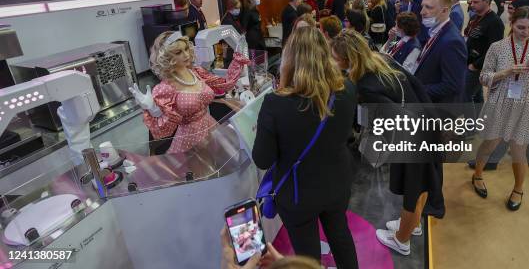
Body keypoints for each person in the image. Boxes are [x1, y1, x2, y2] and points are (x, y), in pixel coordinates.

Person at [253, 27, 358, 268]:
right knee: (340, 235)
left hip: (298, 193)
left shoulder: (275, 104)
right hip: (337, 182)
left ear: (288, 59)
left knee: (307, 256)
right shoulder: (347, 89)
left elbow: (263, 159)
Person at [330, 30, 442, 256]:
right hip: (426, 122)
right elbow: (417, 86)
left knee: (414, 189)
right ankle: (413, 224)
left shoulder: (366, 85)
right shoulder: (383, 59)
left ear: (346, 60)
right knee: (421, 185)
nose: (331, 61)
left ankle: (402, 239)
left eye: (334, 57)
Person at [472, 6, 529, 211]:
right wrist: (505, 72)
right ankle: (477, 174)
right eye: (520, 27)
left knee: (520, 150)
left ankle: (518, 188)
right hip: (500, 101)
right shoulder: (497, 47)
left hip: (527, 103)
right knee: (490, 144)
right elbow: (484, 77)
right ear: (512, 24)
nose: (525, 32)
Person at [135, 31, 250, 154]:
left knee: (224, 160)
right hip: (190, 139)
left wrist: (237, 60)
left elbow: (224, 84)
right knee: (200, 170)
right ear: (167, 57)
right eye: (178, 52)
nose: (186, 55)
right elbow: (163, 130)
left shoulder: (196, 72)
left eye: (186, 49)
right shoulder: (165, 88)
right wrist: (153, 110)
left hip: (211, 126)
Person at [414, 0, 467, 103]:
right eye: (423, 6)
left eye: (428, 7)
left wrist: (417, 89)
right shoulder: (435, 30)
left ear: (444, 11)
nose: (422, 12)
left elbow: (453, 85)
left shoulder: (452, 42)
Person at [463, 0, 505, 118]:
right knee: (476, 95)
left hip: (479, 65)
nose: (472, 4)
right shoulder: (476, 17)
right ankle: (478, 121)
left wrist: (476, 65)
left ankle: (469, 128)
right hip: (470, 61)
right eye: (471, 1)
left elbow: (494, 49)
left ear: (487, 2)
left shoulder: (494, 22)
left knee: (465, 96)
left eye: (476, 2)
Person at [221, 0, 246, 67]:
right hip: (231, 52)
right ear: (231, 7)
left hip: (236, 49)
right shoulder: (227, 20)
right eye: (237, 8)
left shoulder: (233, 18)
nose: (239, 10)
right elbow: (225, 41)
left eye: (239, 8)